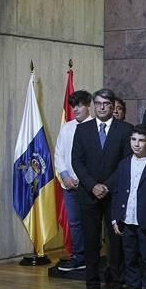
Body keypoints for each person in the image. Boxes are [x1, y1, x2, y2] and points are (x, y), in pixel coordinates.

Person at [72, 88, 133, 289]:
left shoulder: (125, 130)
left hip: (114, 194)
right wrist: (92, 186)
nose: (102, 107)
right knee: (90, 241)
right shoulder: (83, 129)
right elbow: (77, 161)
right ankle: (92, 285)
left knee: (116, 241)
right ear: (94, 105)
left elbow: (126, 163)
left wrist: (106, 186)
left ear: (113, 105)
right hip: (88, 194)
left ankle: (118, 284)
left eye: (106, 104)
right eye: (98, 103)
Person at [112, 124, 146, 289]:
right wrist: (116, 218)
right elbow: (117, 192)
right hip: (126, 219)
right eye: (133, 140)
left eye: (141, 140)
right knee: (130, 258)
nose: (137, 144)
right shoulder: (124, 164)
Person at [54, 90, 92, 272]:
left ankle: (92, 256)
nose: (75, 109)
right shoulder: (67, 127)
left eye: (79, 105)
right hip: (68, 183)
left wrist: (84, 180)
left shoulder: (94, 126)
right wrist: (65, 176)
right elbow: (59, 154)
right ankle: (79, 256)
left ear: (88, 105)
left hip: (88, 185)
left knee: (91, 222)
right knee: (75, 222)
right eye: (73, 106)